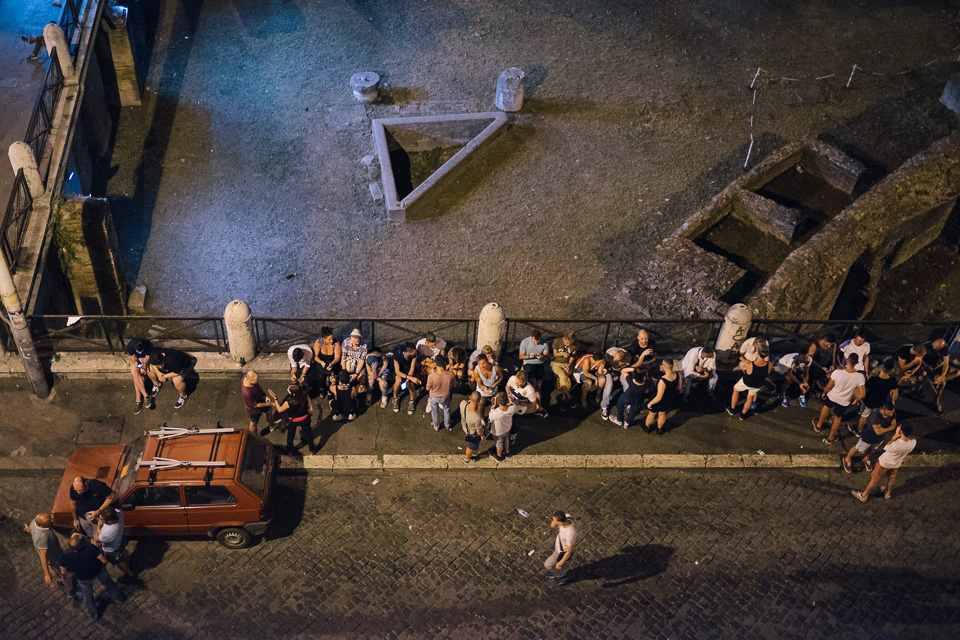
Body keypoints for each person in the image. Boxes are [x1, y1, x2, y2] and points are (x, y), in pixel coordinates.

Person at [60, 533, 125, 621]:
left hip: (83, 577)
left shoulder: (65, 556)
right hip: (98, 571)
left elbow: (63, 571)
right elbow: (103, 560)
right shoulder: (91, 548)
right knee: (110, 584)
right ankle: (119, 598)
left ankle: (94, 615)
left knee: (88, 596)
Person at [853, 423, 916, 502]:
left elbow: (886, 447)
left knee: (874, 479)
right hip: (896, 464)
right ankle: (887, 494)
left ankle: (864, 495)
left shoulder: (896, 445)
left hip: (884, 463)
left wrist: (895, 436)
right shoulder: (913, 442)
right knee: (892, 478)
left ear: (901, 431)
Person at [814, 353, 866, 445]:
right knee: (837, 419)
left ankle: (818, 426)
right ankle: (830, 438)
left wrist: (824, 392)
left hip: (832, 395)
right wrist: (856, 400)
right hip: (844, 401)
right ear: (857, 362)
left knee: (826, 407)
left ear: (847, 360)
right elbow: (862, 394)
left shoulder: (837, 372)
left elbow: (829, 386)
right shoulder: (860, 377)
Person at [843, 403, 897, 474]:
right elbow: (878, 432)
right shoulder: (875, 416)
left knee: (873, 448)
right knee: (857, 448)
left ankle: (866, 458)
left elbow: (893, 426)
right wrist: (885, 429)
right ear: (883, 410)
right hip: (868, 436)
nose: (891, 415)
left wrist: (882, 430)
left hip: (880, 437)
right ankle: (847, 459)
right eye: (889, 413)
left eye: (892, 413)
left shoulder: (892, 411)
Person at [24, 513, 72, 595]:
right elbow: (43, 556)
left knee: (51, 566)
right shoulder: (43, 537)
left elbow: (32, 530)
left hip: (51, 557)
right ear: (42, 525)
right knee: (66, 575)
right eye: (50, 522)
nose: (52, 522)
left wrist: (29, 530)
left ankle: (58, 580)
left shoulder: (34, 522)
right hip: (55, 557)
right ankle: (71, 591)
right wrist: (46, 574)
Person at [854, 360, 898, 436]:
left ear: (882, 367)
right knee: (875, 416)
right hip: (881, 403)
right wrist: (892, 401)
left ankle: (859, 431)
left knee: (864, 416)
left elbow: (864, 390)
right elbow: (895, 395)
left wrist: (859, 399)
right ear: (891, 370)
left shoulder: (873, 380)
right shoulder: (893, 381)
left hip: (869, 402)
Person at [270, 384, 316, 455]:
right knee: (308, 435)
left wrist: (275, 398)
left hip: (293, 421)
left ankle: (289, 450)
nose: (287, 390)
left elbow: (279, 409)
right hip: (304, 419)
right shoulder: (305, 396)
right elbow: (311, 408)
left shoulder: (288, 402)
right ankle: (312, 450)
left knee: (290, 436)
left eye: (289, 389)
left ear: (293, 394)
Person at [727, 346, 771, 420]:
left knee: (735, 389)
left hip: (747, 382)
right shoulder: (770, 364)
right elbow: (767, 372)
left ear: (757, 353)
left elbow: (744, 370)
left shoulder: (749, 363)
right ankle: (742, 415)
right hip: (758, 384)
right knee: (750, 398)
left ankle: (732, 409)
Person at [94, 507, 136, 583]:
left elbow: (98, 539)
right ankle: (128, 563)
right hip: (120, 539)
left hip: (112, 550)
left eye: (102, 519)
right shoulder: (118, 512)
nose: (100, 520)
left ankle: (130, 574)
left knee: (119, 562)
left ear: (109, 521)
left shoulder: (109, 532)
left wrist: (98, 528)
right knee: (123, 552)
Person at [919, 338, 958, 414]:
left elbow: (946, 363)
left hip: (937, 367)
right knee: (943, 384)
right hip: (928, 367)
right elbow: (919, 358)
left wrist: (943, 375)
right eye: (934, 344)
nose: (934, 346)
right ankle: (936, 403)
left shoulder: (945, 349)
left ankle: (939, 380)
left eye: (936, 346)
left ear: (941, 347)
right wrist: (926, 366)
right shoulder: (927, 345)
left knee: (957, 371)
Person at [645, 358, 682, 435]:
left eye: (662, 364)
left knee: (652, 414)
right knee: (662, 414)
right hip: (668, 398)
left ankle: (647, 427)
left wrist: (650, 403)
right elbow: (679, 388)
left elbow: (659, 397)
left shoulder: (663, 380)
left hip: (658, 400)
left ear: (664, 367)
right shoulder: (678, 375)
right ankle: (659, 429)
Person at [544, 511, 577, 584]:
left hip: (561, 552)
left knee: (547, 564)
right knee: (553, 565)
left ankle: (560, 576)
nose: (553, 522)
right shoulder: (567, 517)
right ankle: (558, 572)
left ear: (560, 522)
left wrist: (560, 563)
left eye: (555, 520)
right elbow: (552, 525)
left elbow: (568, 552)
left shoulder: (570, 534)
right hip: (558, 546)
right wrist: (554, 523)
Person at [125, 338, 156, 414]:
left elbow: (148, 356)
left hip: (145, 359)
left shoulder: (147, 345)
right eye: (138, 351)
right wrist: (136, 363)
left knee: (138, 377)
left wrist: (145, 364)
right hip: (138, 361)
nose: (139, 352)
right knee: (134, 371)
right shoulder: (130, 346)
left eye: (140, 351)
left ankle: (138, 401)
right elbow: (133, 357)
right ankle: (146, 396)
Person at [600, 346, 632, 420]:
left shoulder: (627, 357)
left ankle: (628, 403)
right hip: (609, 370)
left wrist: (617, 373)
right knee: (609, 385)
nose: (614, 360)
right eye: (614, 358)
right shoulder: (609, 353)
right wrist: (612, 373)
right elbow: (605, 364)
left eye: (617, 360)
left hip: (620, 370)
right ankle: (604, 406)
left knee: (627, 384)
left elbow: (624, 367)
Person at [426, 354, 456, 431]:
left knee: (434, 411)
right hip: (445, 396)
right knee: (447, 409)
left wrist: (431, 374)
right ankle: (447, 424)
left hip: (434, 397)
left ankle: (436, 426)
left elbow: (427, 388)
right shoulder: (450, 374)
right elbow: (454, 385)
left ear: (436, 364)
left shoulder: (431, 376)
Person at [392, 343, 422, 415]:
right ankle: (395, 398)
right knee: (398, 380)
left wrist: (408, 380)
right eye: (414, 352)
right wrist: (409, 377)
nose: (416, 352)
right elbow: (397, 371)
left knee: (410, 384)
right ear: (408, 353)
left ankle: (411, 401)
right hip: (400, 371)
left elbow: (412, 368)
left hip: (409, 371)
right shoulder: (397, 353)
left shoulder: (414, 355)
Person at [312, 327, 341, 398]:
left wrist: (332, 364)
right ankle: (322, 389)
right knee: (320, 378)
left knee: (333, 379)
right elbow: (315, 356)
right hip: (322, 364)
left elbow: (337, 358)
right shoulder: (318, 342)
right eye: (329, 339)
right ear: (324, 339)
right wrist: (321, 362)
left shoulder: (336, 343)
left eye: (332, 338)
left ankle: (331, 391)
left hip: (332, 364)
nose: (331, 341)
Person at [551, 332, 578, 409]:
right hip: (556, 363)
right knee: (563, 376)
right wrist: (562, 354)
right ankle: (569, 397)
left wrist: (569, 364)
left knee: (564, 378)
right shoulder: (557, 341)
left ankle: (563, 397)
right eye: (567, 342)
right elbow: (555, 354)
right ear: (564, 338)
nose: (568, 344)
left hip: (566, 364)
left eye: (570, 343)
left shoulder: (575, 344)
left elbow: (573, 355)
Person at [519, 331, 550, 397]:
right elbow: (521, 356)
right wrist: (529, 356)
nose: (535, 343)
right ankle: (535, 403)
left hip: (539, 363)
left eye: (537, 341)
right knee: (533, 383)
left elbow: (546, 356)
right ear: (531, 338)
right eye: (534, 341)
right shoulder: (525, 342)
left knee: (539, 385)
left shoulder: (544, 343)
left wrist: (542, 356)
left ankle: (538, 403)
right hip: (528, 363)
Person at [488, 392, 518, 461]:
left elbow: (490, 417)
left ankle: (499, 456)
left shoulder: (496, 413)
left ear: (498, 402)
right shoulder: (512, 407)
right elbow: (512, 403)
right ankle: (507, 452)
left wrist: (493, 405)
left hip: (498, 431)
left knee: (499, 443)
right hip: (507, 428)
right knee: (506, 438)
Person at [341, 329, 369, 398]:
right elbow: (343, 357)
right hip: (348, 362)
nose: (354, 340)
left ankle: (359, 392)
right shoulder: (346, 342)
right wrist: (344, 371)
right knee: (344, 378)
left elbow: (361, 361)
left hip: (358, 363)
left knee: (363, 379)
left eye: (356, 338)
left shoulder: (364, 345)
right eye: (353, 337)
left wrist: (356, 374)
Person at [460, 391, 486, 464]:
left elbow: (466, 402)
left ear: (470, 397)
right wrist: (481, 435)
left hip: (465, 426)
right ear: (478, 401)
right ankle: (467, 459)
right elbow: (479, 430)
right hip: (472, 432)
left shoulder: (462, 403)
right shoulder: (476, 418)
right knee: (470, 447)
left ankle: (468, 458)